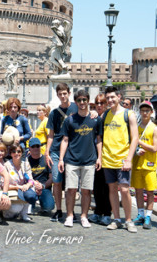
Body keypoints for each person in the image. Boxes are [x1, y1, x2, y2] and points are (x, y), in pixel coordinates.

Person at [58, 90, 102, 228]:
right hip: (72, 159)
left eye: (84, 100)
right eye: (79, 100)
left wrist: (99, 157)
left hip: (89, 159)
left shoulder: (96, 119)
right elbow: (65, 140)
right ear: (75, 102)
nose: (82, 103)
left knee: (86, 190)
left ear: (88, 101)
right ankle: (70, 215)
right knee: (70, 190)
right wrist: (60, 159)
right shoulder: (70, 120)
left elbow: (99, 140)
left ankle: (84, 216)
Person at [101, 86, 139, 232]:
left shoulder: (129, 114)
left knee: (124, 190)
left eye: (112, 97)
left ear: (119, 97)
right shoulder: (105, 115)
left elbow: (135, 137)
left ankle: (128, 220)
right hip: (108, 158)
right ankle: (116, 219)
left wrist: (129, 158)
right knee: (112, 189)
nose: (110, 100)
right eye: (108, 98)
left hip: (123, 158)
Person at [45, 83, 77, 222]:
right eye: (60, 94)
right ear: (57, 95)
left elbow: (88, 116)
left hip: (73, 149)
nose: (62, 96)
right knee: (56, 181)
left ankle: (71, 211)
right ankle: (58, 210)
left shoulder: (76, 107)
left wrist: (93, 113)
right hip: (56, 150)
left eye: (65, 93)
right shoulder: (53, 113)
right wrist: (47, 152)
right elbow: (51, 134)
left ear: (69, 93)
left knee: (71, 184)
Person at [131, 101, 157, 230]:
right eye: (142, 110)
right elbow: (132, 145)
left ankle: (148, 216)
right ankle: (140, 214)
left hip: (149, 165)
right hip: (137, 163)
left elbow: (154, 148)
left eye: (147, 111)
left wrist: (139, 142)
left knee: (149, 192)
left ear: (151, 112)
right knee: (137, 190)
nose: (144, 113)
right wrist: (137, 150)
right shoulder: (136, 127)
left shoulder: (155, 128)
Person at [89, 93, 112, 226]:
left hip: (108, 154)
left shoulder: (109, 115)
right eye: (97, 103)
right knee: (97, 185)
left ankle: (107, 213)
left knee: (107, 185)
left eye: (102, 103)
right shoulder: (94, 117)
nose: (99, 105)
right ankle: (98, 211)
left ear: (106, 104)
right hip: (95, 154)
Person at [4, 145, 35, 222]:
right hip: (12, 190)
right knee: (15, 209)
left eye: (19, 151)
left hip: (23, 189)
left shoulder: (25, 164)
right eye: (13, 151)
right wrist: (17, 187)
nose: (16, 153)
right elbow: (2, 184)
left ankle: (24, 214)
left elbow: (31, 180)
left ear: (21, 153)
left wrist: (27, 185)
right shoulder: (6, 165)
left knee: (32, 188)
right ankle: (9, 212)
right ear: (10, 154)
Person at [27, 138, 54, 214]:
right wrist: (33, 185)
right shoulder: (26, 160)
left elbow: (51, 178)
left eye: (37, 146)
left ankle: (42, 203)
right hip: (30, 187)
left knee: (49, 207)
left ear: (40, 147)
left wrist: (42, 186)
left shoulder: (47, 160)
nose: (35, 148)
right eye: (33, 146)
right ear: (29, 147)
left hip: (44, 187)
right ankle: (31, 204)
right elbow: (23, 177)